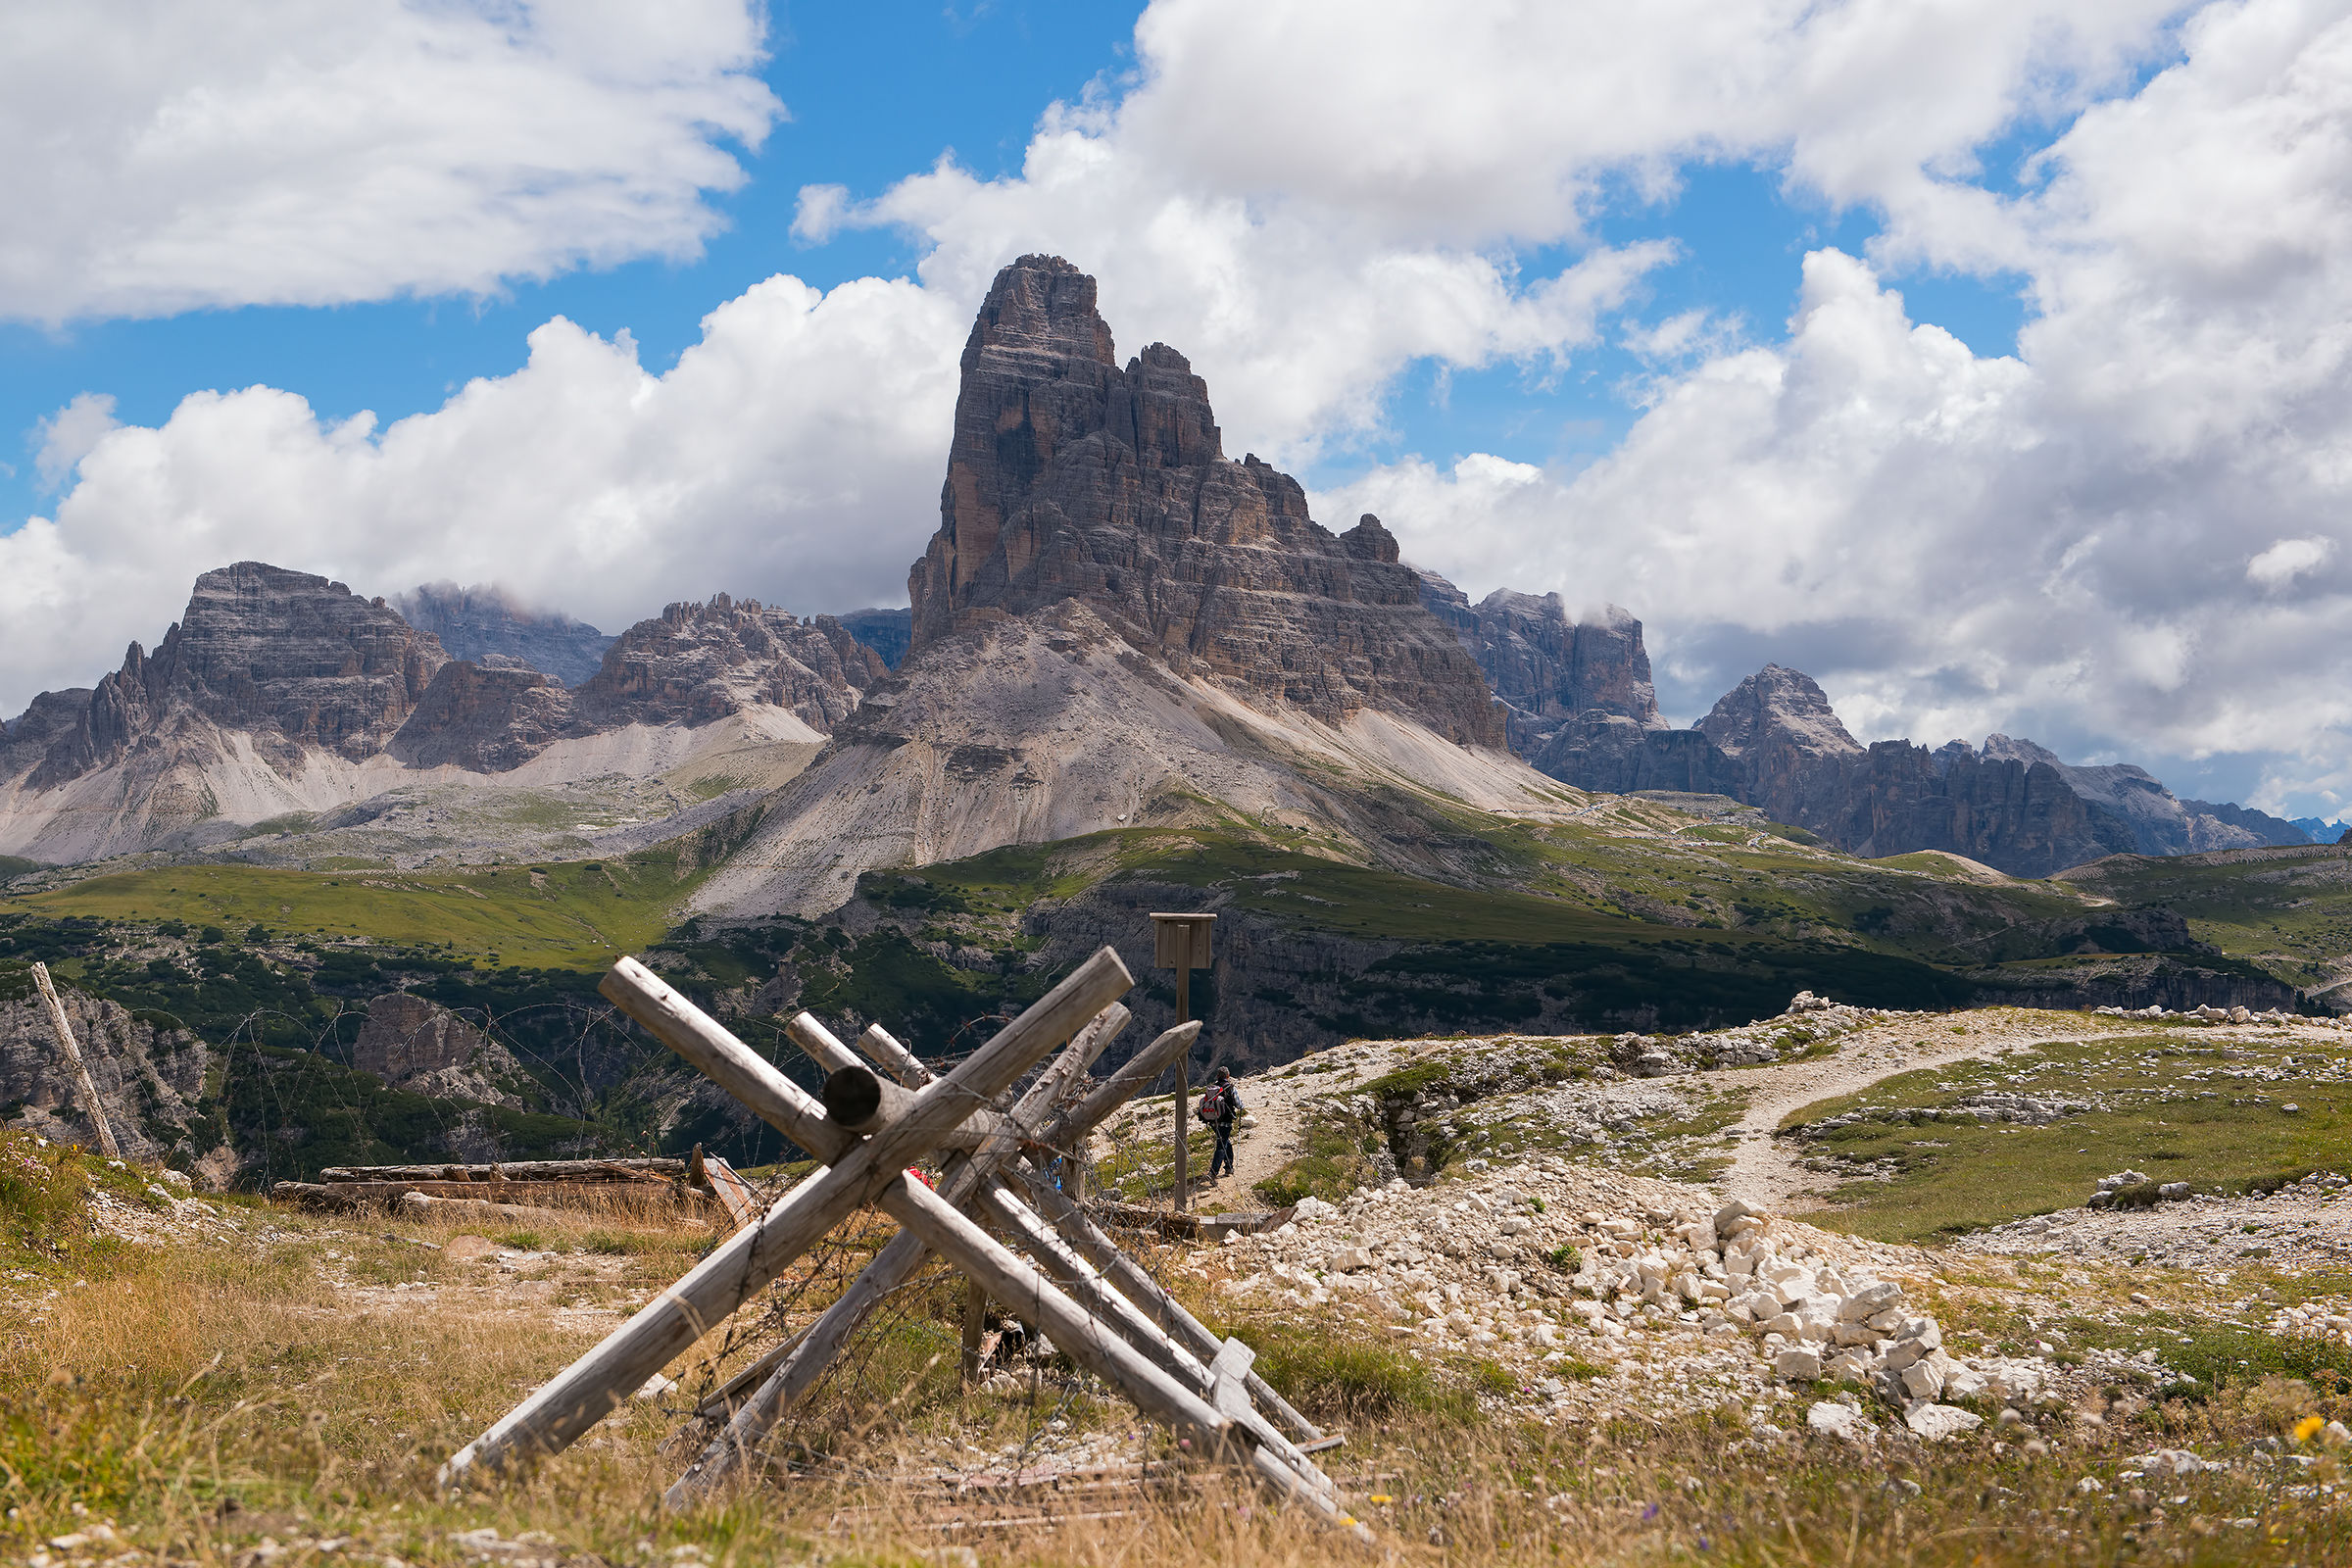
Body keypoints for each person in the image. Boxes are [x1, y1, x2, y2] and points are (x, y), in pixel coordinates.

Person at [1204, 1065, 1244, 1181]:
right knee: (1221, 1145)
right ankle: (1213, 1172)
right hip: (1225, 1121)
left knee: (1225, 1142)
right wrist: (1242, 1106)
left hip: (1213, 1121)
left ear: (1217, 1076)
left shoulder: (1213, 1088)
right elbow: (1238, 1104)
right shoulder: (1230, 1088)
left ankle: (1229, 1167)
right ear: (1228, 1076)